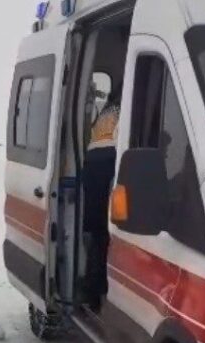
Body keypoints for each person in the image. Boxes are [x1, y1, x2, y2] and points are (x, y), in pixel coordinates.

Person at [81, 80, 121, 311]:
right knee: (105, 235)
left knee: (98, 235)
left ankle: (92, 291)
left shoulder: (107, 110)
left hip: (94, 167)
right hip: (107, 165)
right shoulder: (126, 109)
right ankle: (97, 292)